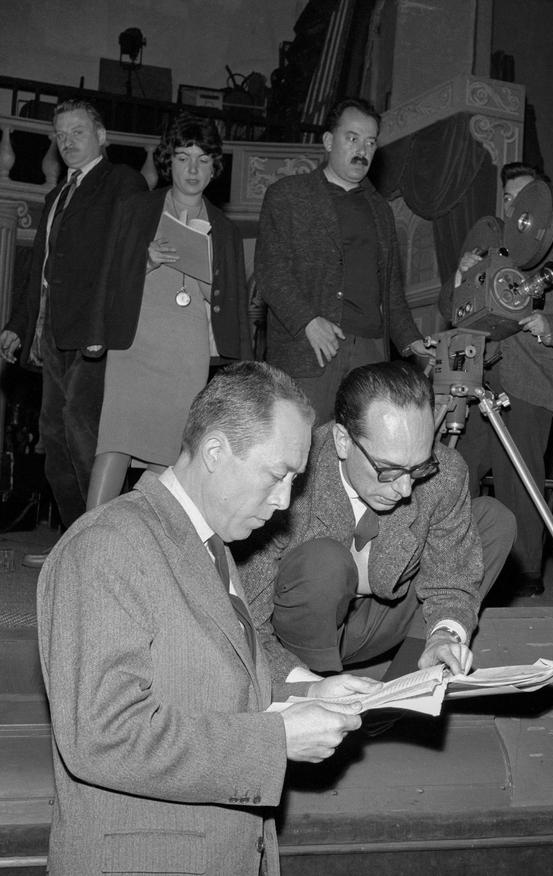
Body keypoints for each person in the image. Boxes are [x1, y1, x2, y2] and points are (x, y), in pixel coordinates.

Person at [37, 361, 380, 875]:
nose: (286, 499)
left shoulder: (210, 548)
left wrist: (305, 694)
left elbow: (207, 684)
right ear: (216, 452)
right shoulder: (108, 545)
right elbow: (104, 735)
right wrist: (277, 741)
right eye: (277, 474)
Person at [239, 360, 516, 677]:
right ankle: (322, 683)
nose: (405, 487)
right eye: (388, 469)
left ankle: (412, 685)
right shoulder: (292, 479)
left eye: (419, 466)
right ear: (343, 441)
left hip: (383, 620)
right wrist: (305, 686)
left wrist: (444, 634)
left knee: (494, 519)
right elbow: (249, 620)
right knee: (324, 561)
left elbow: (451, 581)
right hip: (301, 633)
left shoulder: (445, 473)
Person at [438, 163, 553, 596]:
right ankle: (452, 570)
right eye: (508, 199)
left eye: (524, 197)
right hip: (471, 379)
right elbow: (452, 309)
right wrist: (461, 276)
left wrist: (550, 324)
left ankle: (523, 579)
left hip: (529, 383)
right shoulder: (490, 253)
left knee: (520, 483)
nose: (515, 207)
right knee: (452, 475)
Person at [0, 99, 147, 555]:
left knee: (87, 441)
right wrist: (18, 325)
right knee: (55, 444)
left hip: (93, 336)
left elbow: (128, 260)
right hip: (52, 335)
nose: (67, 141)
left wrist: (105, 323)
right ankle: (77, 542)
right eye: (60, 134)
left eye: (77, 131)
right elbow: (38, 271)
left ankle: (108, 547)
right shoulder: (55, 195)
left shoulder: (121, 181)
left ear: (101, 136)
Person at [86, 113, 252, 509]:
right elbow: (108, 276)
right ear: (168, 162)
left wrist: (213, 283)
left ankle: (134, 536)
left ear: (215, 166)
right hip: (135, 346)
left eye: (202, 159)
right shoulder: (137, 208)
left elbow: (233, 305)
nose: (192, 169)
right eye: (182, 157)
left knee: (169, 454)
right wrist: (146, 259)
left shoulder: (225, 230)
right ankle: (84, 540)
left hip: (186, 351)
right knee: (115, 441)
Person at [255, 96, 432, 424]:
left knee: (360, 456)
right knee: (300, 455)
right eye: (352, 138)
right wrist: (308, 321)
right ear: (327, 141)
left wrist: (413, 342)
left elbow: (391, 292)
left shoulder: (381, 210)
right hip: (311, 347)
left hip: (371, 352)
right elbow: (271, 272)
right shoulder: (288, 195)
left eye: (370, 141)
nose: (362, 149)